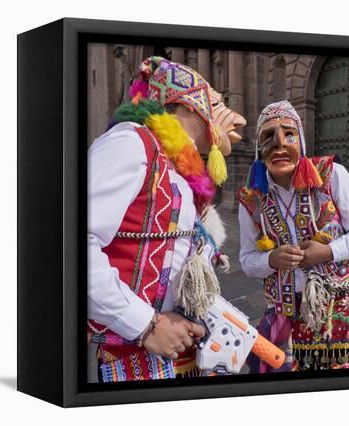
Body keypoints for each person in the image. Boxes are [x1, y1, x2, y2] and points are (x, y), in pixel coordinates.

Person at [87, 56, 246, 382]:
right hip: (131, 361)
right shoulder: (131, 144)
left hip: (176, 357)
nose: (239, 119)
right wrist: (146, 324)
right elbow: (68, 243)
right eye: (217, 102)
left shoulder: (179, 174)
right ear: (188, 106)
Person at [237, 100, 349, 372]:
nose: (279, 145)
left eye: (289, 135)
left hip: (338, 310)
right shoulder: (250, 198)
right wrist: (271, 259)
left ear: (300, 141)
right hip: (284, 317)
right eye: (269, 137)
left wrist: (328, 252)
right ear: (259, 148)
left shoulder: (331, 175)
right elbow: (247, 261)